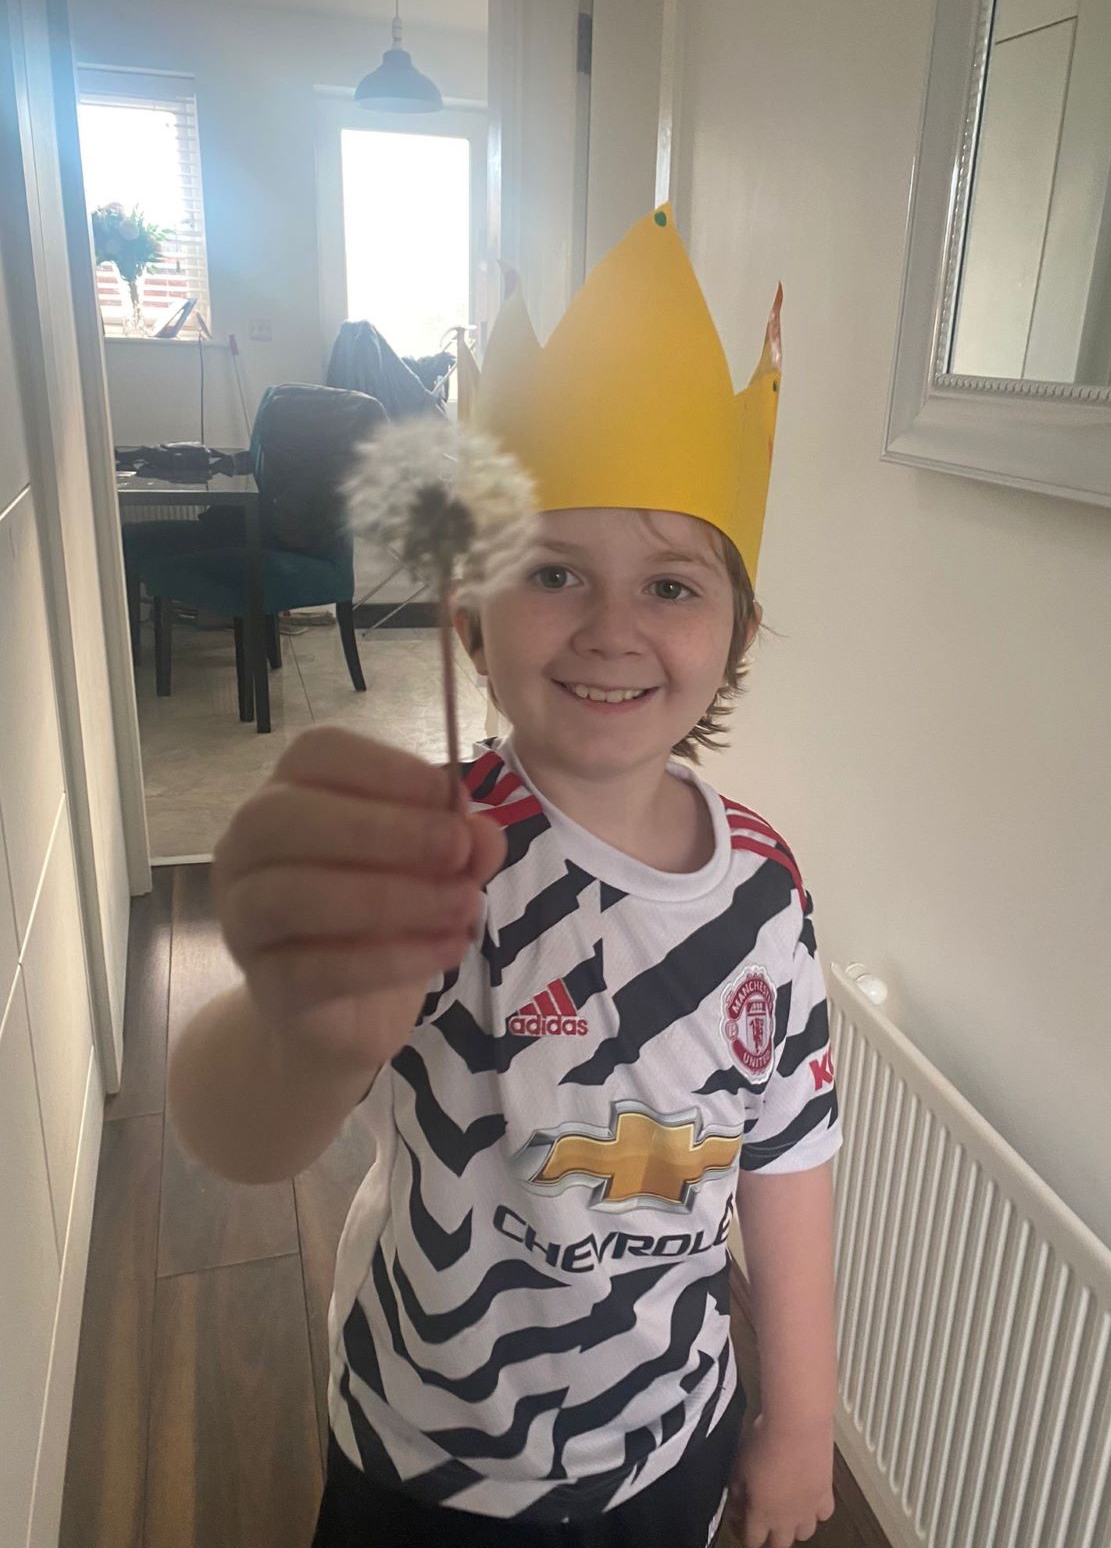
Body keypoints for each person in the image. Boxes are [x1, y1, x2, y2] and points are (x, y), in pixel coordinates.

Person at [168, 207, 842, 1548]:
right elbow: (229, 1133)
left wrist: (799, 1421)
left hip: (669, 1446)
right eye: (553, 572)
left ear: (738, 630)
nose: (610, 627)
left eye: (671, 584)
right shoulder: (427, 856)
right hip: (425, 1462)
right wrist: (301, 1031)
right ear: (468, 616)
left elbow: (789, 1163)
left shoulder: (766, 890)